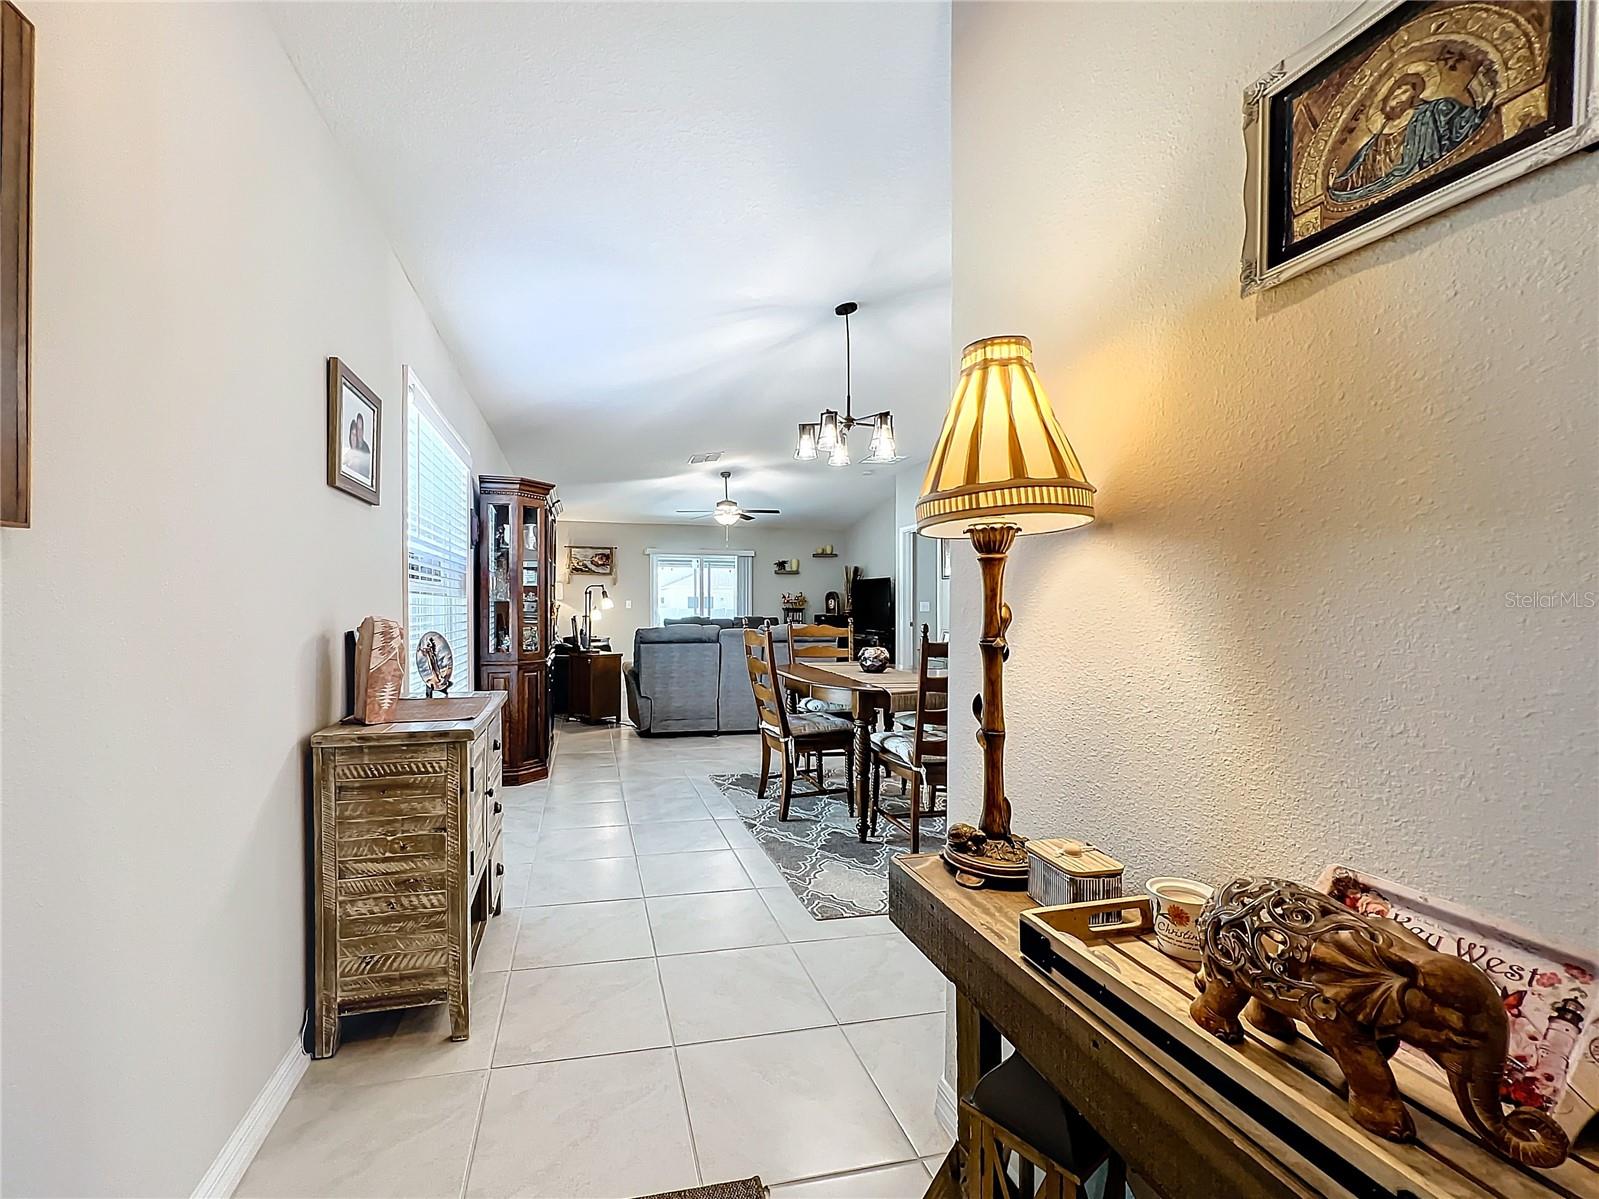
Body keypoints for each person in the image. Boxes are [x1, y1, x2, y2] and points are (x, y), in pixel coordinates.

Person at [1329, 60, 1496, 203]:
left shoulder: (1435, 110)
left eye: (1404, 91)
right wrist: (1335, 184)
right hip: (1387, 194)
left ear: (1415, 95)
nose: (1397, 95)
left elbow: (1464, 124)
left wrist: (1484, 101)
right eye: (1395, 91)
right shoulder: (1377, 139)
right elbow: (1358, 175)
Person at [342, 410, 373, 483]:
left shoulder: (365, 450)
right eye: (353, 434)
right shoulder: (348, 452)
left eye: (360, 429)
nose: (359, 432)